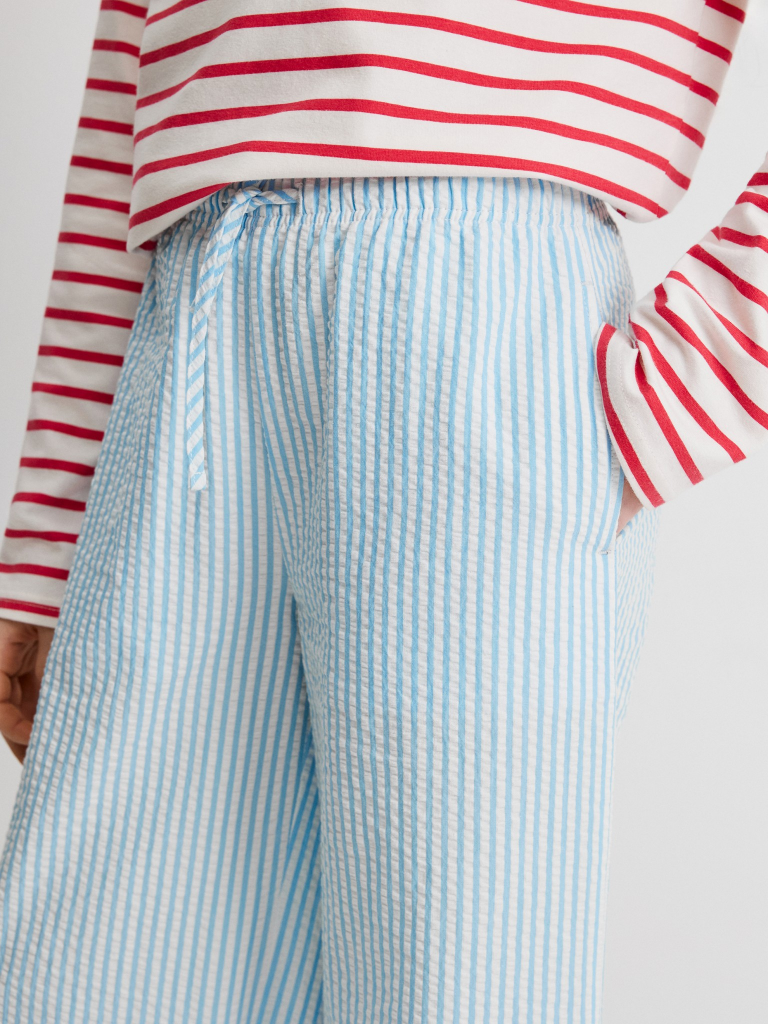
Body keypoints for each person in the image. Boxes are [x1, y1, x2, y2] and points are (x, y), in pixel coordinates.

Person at [0, 1, 763, 1021]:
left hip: (484, 314)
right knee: (95, 973)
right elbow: (126, 75)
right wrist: (51, 533)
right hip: (195, 300)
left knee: (448, 983)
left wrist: (697, 378)